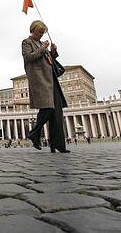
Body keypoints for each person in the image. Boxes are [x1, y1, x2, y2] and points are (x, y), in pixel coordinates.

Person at [23, 20, 70, 153]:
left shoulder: (40, 43)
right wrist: (43, 48)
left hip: (51, 79)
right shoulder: (27, 42)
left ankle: (58, 145)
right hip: (40, 80)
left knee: (57, 112)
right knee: (48, 108)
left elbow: (50, 60)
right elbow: (28, 57)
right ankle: (34, 134)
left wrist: (53, 51)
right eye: (40, 32)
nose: (41, 35)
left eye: (43, 33)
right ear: (33, 30)